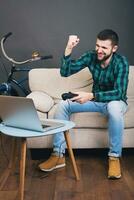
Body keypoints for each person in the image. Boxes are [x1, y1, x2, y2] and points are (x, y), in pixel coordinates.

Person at [39, 29, 129, 179]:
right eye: (97, 46)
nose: (99, 50)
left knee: (113, 106)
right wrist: (69, 48)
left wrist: (91, 95)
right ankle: (58, 155)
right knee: (63, 105)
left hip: (115, 102)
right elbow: (65, 71)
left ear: (114, 49)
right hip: (95, 100)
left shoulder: (121, 63)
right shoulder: (91, 56)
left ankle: (114, 157)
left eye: (104, 48)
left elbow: (119, 93)